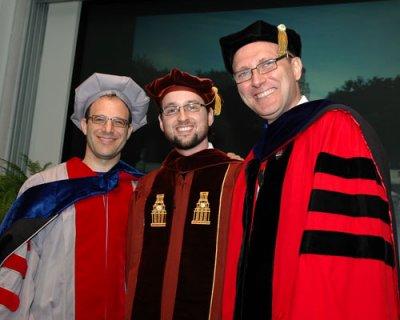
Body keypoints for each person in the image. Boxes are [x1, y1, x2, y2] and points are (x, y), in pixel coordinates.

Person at [219, 20, 400, 319]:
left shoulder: (337, 131)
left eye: (266, 64)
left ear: (296, 67)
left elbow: (349, 261)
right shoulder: (253, 159)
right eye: (243, 73)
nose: (256, 80)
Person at [0, 73, 149, 319]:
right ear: (84, 124)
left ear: (129, 130)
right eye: (99, 119)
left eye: (118, 122)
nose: (108, 129)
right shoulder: (43, 187)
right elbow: (13, 269)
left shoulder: (142, 191)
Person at [125, 68, 242, 320]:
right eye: (171, 110)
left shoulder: (237, 179)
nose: (182, 117)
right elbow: (133, 268)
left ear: (210, 115)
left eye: (192, 107)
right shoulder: (147, 187)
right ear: (160, 122)